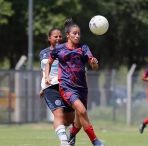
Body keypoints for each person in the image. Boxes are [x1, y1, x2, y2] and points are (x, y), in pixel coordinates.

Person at [45, 18, 104, 146]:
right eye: (74, 33)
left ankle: (71, 135)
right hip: (67, 87)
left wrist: (94, 63)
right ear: (68, 35)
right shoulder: (59, 49)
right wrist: (46, 77)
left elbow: (94, 66)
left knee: (79, 121)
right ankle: (96, 141)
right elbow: (48, 62)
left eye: (79, 33)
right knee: (82, 111)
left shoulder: (84, 48)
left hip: (82, 88)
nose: (77, 36)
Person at [39, 28, 76, 146]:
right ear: (49, 38)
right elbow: (44, 70)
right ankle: (64, 142)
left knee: (69, 120)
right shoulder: (43, 53)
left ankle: (70, 133)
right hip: (50, 86)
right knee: (58, 114)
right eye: (55, 36)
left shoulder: (67, 50)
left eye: (60, 36)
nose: (58, 38)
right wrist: (43, 84)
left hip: (66, 85)